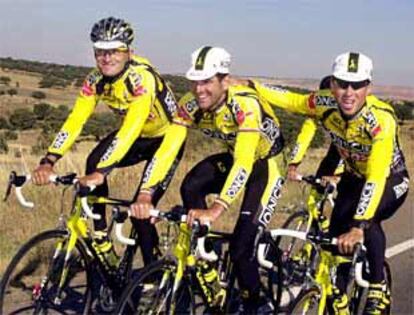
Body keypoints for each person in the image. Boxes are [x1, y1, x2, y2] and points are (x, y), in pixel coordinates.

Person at [245, 52, 410, 314]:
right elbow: (291, 100)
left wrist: (358, 226)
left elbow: (377, 176)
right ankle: (338, 301)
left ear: (368, 87)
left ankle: (378, 285)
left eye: (356, 85)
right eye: (342, 83)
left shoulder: (381, 119)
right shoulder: (323, 102)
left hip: (390, 179)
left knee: (368, 222)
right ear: (332, 84)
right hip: (354, 179)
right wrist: (250, 85)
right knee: (333, 245)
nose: (348, 92)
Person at [32, 17, 186, 266]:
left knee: (140, 212)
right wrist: (49, 160)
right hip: (135, 136)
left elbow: (131, 128)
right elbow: (75, 120)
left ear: (129, 52)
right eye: (100, 52)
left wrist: (103, 172)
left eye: (114, 51)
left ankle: (153, 275)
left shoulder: (141, 79)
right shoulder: (95, 80)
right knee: (93, 160)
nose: (106, 58)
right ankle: (102, 240)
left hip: (165, 140)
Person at [175, 46, 285, 313]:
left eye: (207, 81)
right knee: (191, 185)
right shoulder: (190, 104)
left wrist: (216, 208)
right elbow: (169, 148)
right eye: (195, 81)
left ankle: (254, 305)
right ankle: (209, 261)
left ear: (224, 81)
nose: (199, 89)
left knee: (240, 247)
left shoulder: (244, 104)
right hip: (235, 158)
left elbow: (245, 161)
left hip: (265, 166)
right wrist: (147, 192)